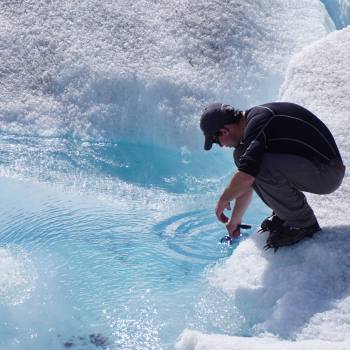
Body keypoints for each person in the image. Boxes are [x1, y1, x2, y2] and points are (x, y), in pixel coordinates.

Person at [200, 102, 346, 250]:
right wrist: (235, 221)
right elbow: (247, 180)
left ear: (224, 131)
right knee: (242, 156)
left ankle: (302, 223)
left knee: (258, 165)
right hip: (314, 168)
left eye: (217, 142)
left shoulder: (259, 121)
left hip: (328, 173)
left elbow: (247, 176)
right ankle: (285, 213)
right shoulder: (253, 123)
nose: (222, 146)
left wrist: (224, 199)